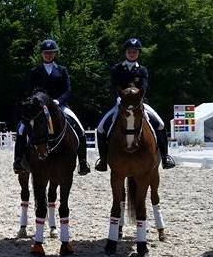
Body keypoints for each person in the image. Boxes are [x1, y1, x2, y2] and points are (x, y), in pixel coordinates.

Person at [95, 38, 176, 171]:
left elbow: (144, 87)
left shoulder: (142, 70)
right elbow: (113, 86)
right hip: (121, 104)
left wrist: (138, 99)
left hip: (140, 103)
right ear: (125, 53)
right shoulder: (117, 69)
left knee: (160, 124)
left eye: (134, 52)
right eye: (129, 51)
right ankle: (103, 160)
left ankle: (165, 157)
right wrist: (118, 98)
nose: (132, 54)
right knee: (101, 128)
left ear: (138, 53)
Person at [13, 39, 91, 175]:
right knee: (21, 128)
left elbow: (68, 90)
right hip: (38, 107)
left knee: (80, 128)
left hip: (59, 106)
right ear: (42, 54)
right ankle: (18, 160)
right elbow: (29, 90)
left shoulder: (62, 70)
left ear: (55, 54)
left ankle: (83, 162)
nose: (48, 55)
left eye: (51, 53)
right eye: (45, 53)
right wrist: (36, 102)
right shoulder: (35, 71)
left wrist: (58, 101)